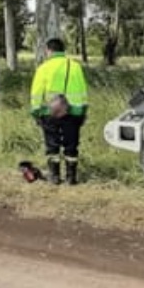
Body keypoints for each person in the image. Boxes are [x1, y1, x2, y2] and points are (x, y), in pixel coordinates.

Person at [29, 38, 88, 185]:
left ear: (49, 51)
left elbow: (36, 92)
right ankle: (71, 177)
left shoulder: (43, 68)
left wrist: (36, 111)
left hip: (49, 112)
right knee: (72, 145)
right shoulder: (75, 67)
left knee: (52, 145)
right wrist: (83, 110)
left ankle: (54, 176)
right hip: (73, 112)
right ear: (63, 51)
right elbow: (83, 90)